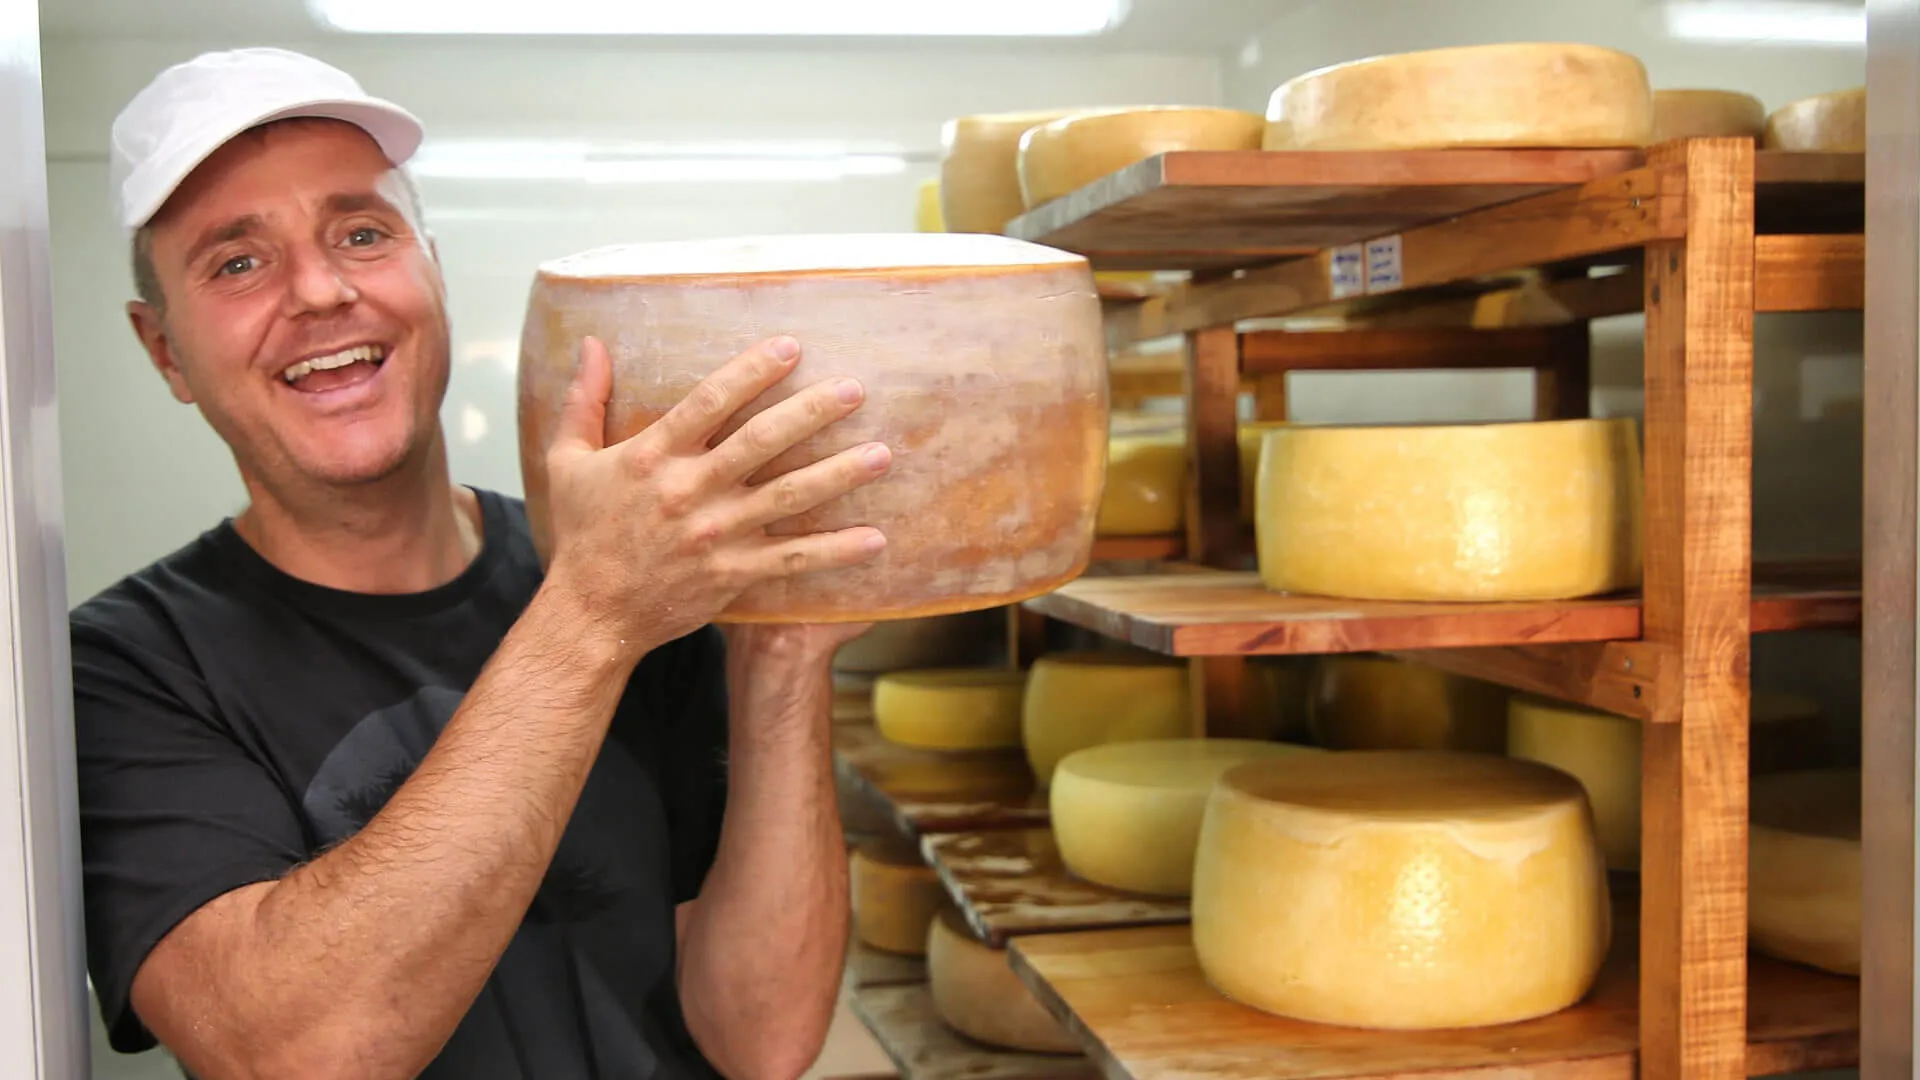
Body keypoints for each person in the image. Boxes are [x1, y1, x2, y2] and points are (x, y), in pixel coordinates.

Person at [69, 46, 893, 1080]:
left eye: (362, 233)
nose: (321, 290)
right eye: (238, 262)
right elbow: (292, 1052)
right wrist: (593, 614)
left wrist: (780, 661)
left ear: (433, 270)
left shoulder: (640, 576)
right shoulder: (116, 673)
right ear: (164, 353)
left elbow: (759, 1037)